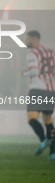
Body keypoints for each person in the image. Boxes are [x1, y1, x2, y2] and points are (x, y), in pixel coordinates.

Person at [22, 30, 55, 160]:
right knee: (48, 120)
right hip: (51, 89)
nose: (26, 41)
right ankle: (53, 154)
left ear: (33, 39)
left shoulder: (32, 53)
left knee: (32, 118)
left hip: (37, 88)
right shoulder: (51, 53)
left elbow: (34, 72)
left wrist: (24, 73)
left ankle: (43, 140)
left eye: (27, 39)